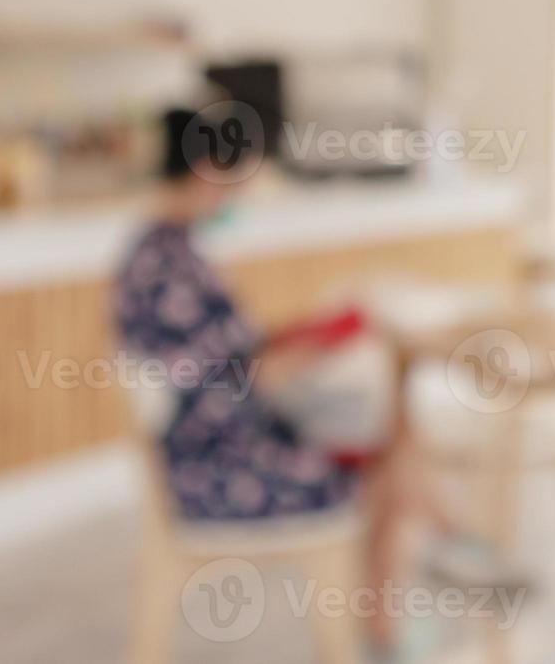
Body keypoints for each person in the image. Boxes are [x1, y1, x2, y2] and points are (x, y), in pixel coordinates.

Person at [114, 105, 515, 658]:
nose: (239, 196)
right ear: (209, 170)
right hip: (216, 465)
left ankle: (411, 599)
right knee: (387, 445)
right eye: (238, 180)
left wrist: (303, 337)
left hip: (220, 437)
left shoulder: (163, 250)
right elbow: (227, 382)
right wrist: (301, 354)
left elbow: (229, 353)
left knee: (389, 431)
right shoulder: (166, 266)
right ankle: (439, 565)